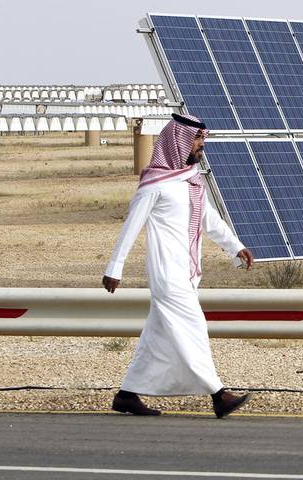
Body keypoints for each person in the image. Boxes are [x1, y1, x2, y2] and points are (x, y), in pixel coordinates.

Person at [102, 113, 255, 418]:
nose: (202, 145)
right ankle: (219, 394)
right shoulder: (155, 184)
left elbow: (208, 219)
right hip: (166, 271)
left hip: (186, 271)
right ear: (179, 141)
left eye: (202, 138)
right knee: (193, 325)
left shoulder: (191, 180)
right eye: (197, 139)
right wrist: (114, 267)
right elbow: (132, 226)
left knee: (158, 334)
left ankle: (127, 394)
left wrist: (234, 246)